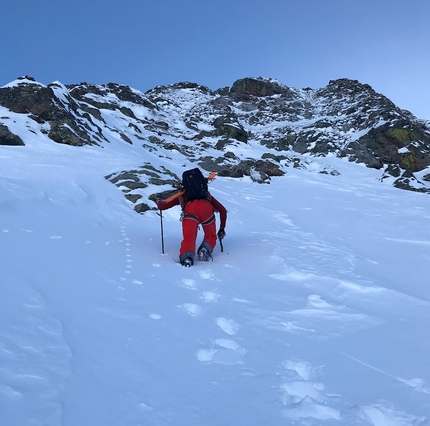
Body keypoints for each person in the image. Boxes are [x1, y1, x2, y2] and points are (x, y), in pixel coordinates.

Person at [156, 174, 227, 267]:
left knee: (189, 237)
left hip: (190, 211)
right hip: (206, 210)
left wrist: (159, 202)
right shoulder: (206, 194)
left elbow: (162, 206)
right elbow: (223, 210)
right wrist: (222, 228)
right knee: (211, 235)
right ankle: (205, 250)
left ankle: (187, 258)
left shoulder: (183, 194)